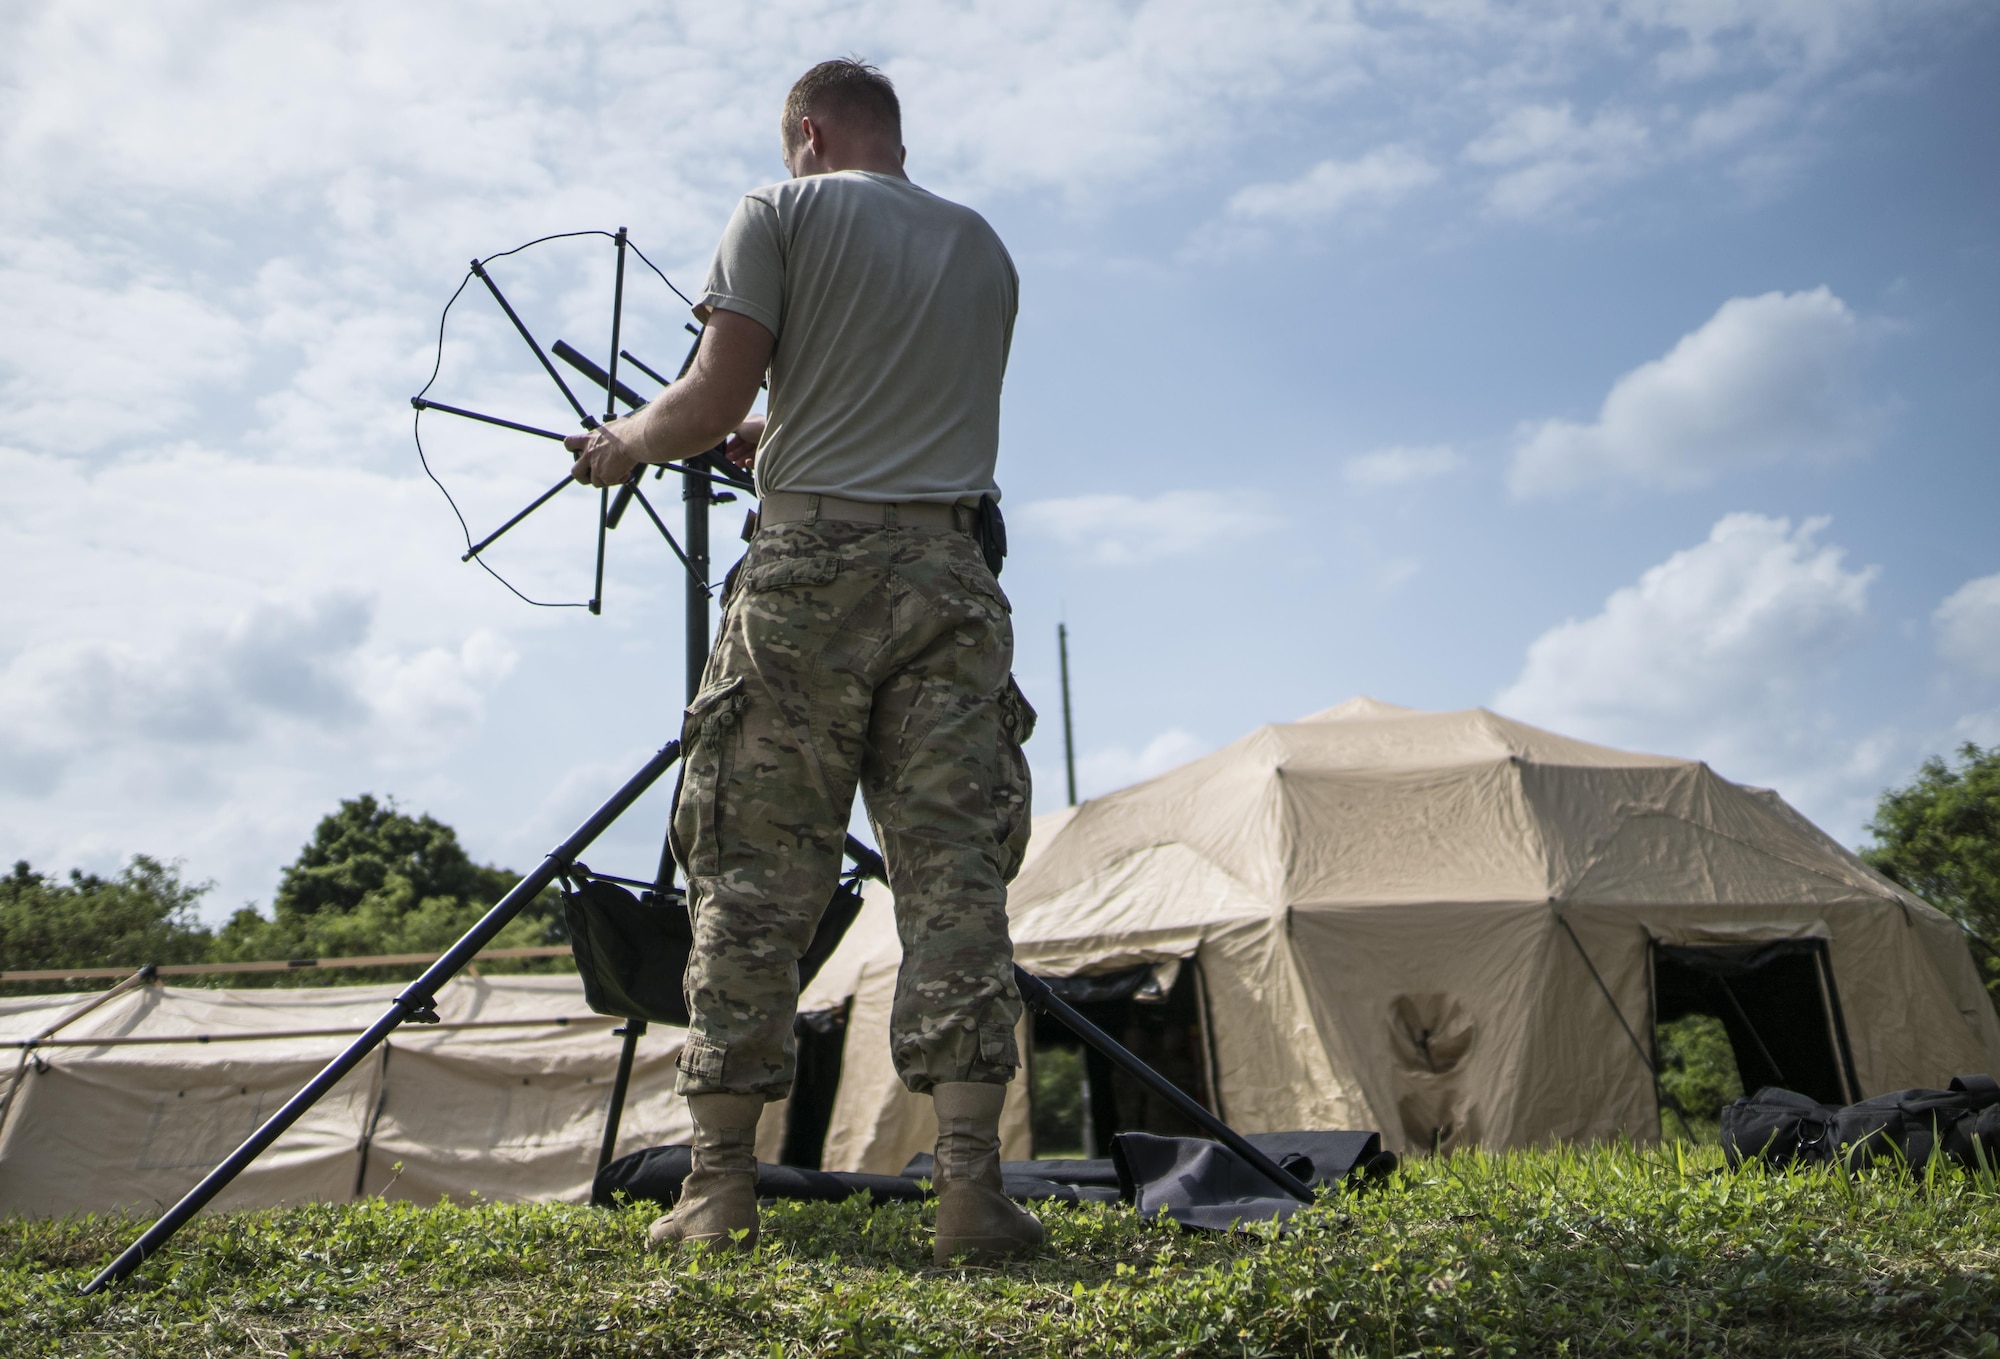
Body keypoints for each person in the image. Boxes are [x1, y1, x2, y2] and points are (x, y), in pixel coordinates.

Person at [565, 58, 1042, 1265]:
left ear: (806, 132)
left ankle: (718, 1190)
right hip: (951, 581)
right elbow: (898, 407)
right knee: (952, 882)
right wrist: (777, 432)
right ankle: (972, 1197)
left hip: (807, 577)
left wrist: (625, 440)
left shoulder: (777, 210)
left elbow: (707, 390)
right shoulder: (982, 245)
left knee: (752, 873)